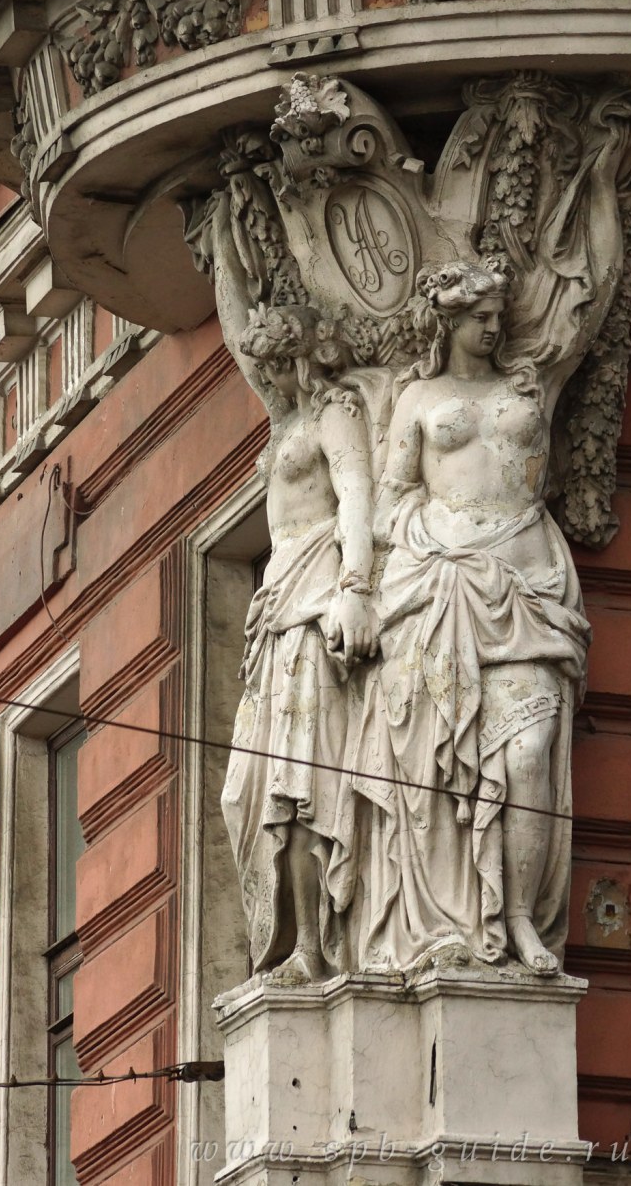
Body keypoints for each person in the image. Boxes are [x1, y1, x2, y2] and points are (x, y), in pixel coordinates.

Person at [337, 261, 591, 975]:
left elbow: (580, 303)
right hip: (440, 586)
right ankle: (451, 916)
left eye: (499, 316)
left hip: (526, 584)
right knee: (437, 760)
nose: (493, 327)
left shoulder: (529, 385)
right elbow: (391, 498)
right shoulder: (418, 396)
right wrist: (422, 549)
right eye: (480, 316)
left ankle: (520, 916)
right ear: (447, 322)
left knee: (529, 753)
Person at [221, 304, 377, 981]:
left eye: (280, 362)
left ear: (306, 357)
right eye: (264, 366)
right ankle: (289, 938)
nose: (271, 376)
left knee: (302, 780)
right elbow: (232, 305)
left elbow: (357, 496)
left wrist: (355, 587)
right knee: (251, 789)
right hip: (276, 610)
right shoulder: (285, 420)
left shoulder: (334, 413)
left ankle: (312, 947)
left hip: (315, 604)